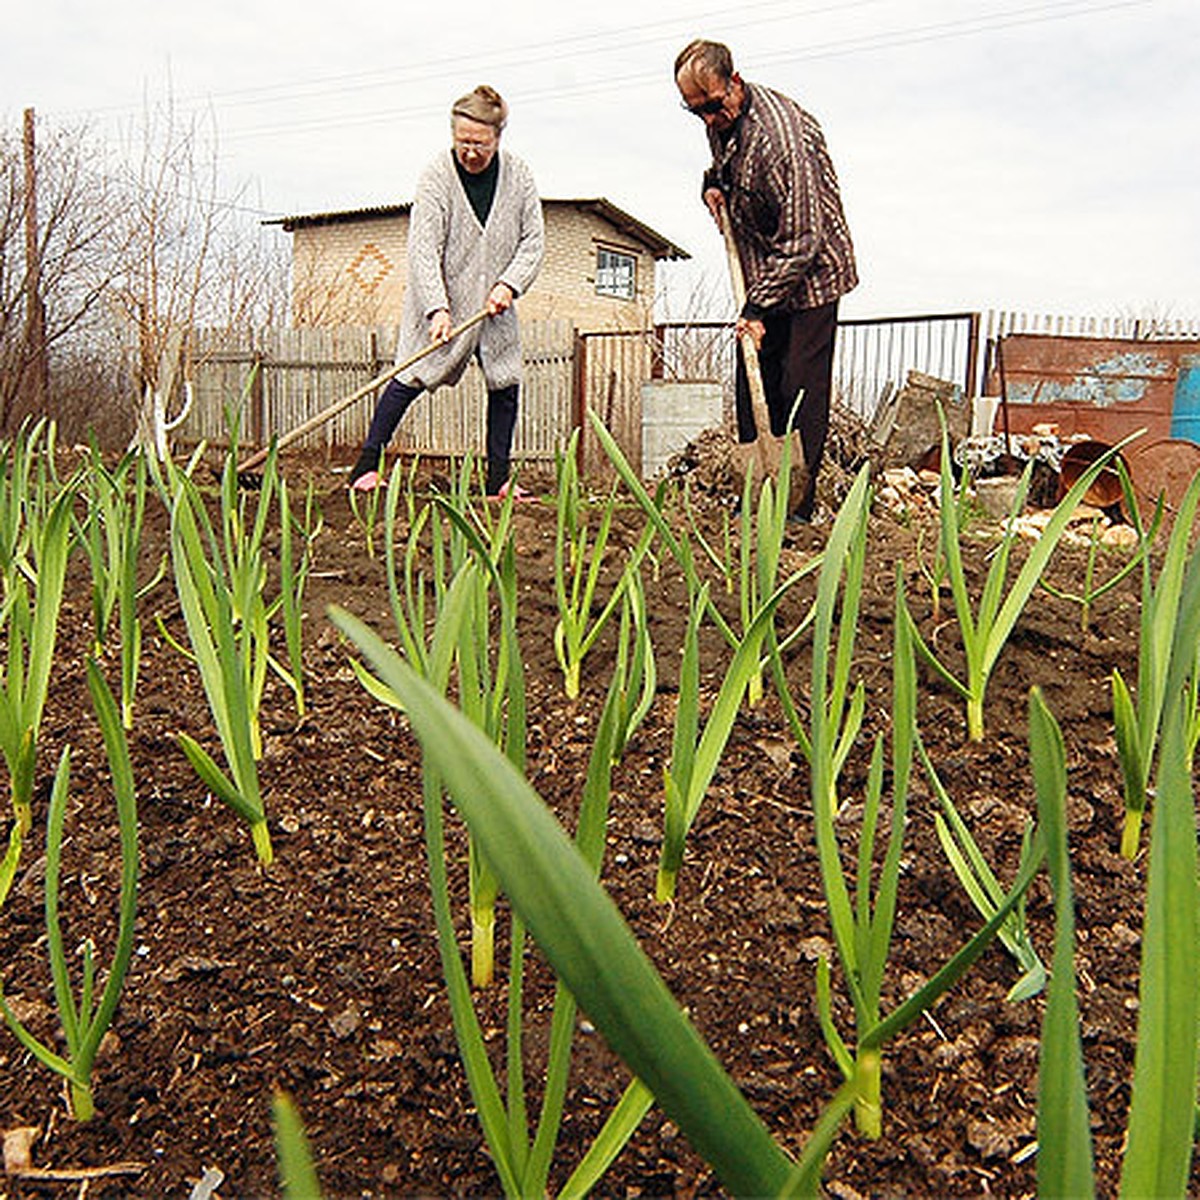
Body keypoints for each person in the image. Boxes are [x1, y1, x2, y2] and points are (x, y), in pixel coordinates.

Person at [674, 40, 857, 521]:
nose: (709, 120)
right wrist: (712, 184)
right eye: (696, 113)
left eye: (713, 106)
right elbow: (725, 167)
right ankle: (757, 494)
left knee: (799, 388)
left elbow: (804, 239)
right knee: (752, 377)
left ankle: (797, 506)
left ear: (734, 82)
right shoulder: (721, 121)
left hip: (812, 272)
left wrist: (756, 310)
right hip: (765, 269)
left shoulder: (782, 141)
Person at [349, 84, 545, 496]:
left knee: (505, 383)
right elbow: (423, 250)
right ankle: (365, 468)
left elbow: (533, 241)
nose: (471, 152)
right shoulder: (437, 176)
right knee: (410, 374)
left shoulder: (520, 176)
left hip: (496, 305)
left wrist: (509, 284)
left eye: (480, 144)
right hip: (443, 303)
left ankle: (498, 481)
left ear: (498, 138)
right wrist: (437, 308)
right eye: (463, 142)